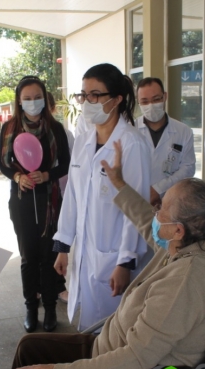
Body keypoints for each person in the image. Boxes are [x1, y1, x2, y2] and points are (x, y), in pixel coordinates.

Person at [0, 142, 205, 369]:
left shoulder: (185, 281)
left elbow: (136, 357)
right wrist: (119, 184)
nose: (155, 213)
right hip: (110, 350)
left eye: (162, 211)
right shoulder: (191, 243)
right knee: (28, 348)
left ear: (179, 229)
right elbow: (147, 222)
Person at [53, 63, 152, 331]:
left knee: (113, 329)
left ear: (117, 99)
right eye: (84, 95)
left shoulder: (131, 143)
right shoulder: (84, 141)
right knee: (90, 326)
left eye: (95, 95)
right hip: (86, 251)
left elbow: (137, 209)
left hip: (114, 255)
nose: (87, 102)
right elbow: (72, 196)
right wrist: (63, 246)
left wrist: (125, 261)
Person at [0, 77, 70, 332]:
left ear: (44, 97)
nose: (32, 103)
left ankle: (50, 308)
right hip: (22, 200)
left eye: (36, 97)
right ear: (19, 101)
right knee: (28, 257)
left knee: (49, 255)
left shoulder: (56, 128)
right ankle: (31, 306)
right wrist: (18, 176)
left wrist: (47, 175)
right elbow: (3, 164)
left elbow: (65, 163)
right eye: (27, 98)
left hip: (50, 199)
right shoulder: (9, 128)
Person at [135, 77, 196, 207]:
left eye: (156, 99)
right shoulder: (131, 130)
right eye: (144, 101)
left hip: (172, 200)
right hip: (137, 199)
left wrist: (158, 189)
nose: (151, 105)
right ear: (138, 102)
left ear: (165, 97)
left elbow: (188, 168)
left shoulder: (183, 131)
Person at [47, 92, 74, 305]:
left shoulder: (64, 134)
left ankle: (57, 286)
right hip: (35, 198)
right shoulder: (22, 134)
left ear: (53, 108)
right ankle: (39, 287)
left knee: (57, 244)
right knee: (34, 248)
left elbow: (72, 167)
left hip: (62, 195)